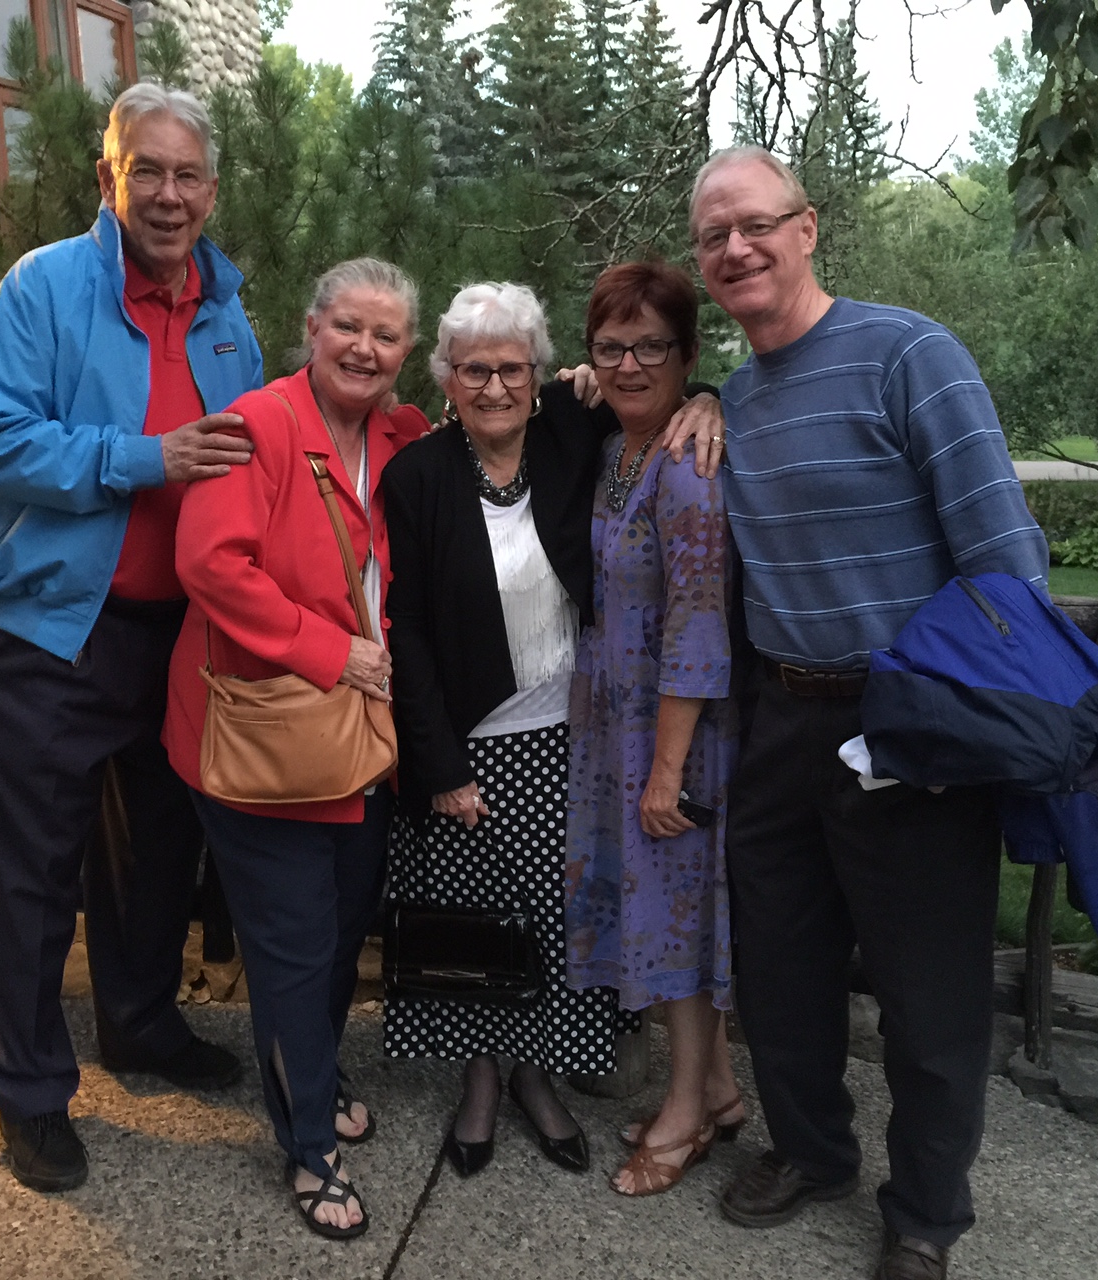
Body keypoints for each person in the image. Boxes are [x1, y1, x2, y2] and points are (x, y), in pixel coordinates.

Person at [691, 146, 1049, 1280]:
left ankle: (926, 1212)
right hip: (782, 718)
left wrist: (968, 719)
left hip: (910, 717)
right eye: (713, 236)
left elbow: (1005, 560)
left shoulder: (910, 354)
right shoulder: (736, 396)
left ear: (806, 229)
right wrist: (680, 391)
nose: (736, 248)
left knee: (927, 991)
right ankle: (813, 1152)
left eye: (756, 224)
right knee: (778, 968)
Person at [0, 84, 262, 1193]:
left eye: (187, 175)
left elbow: (257, 453)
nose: (169, 195)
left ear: (211, 190)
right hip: (46, 628)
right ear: (108, 178)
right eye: (147, 171)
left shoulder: (227, 313)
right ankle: (29, 1091)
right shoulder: (42, 287)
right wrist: (143, 459)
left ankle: (138, 1021)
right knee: (35, 869)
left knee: (154, 852)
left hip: (177, 632)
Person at [382, 282, 723, 1179]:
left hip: (573, 734)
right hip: (468, 738)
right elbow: (405, 631)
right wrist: (439, 763)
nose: (493, 386)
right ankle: (480, 1080)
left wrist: (708, 396)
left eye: (510, 368)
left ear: (538, 374)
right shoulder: (416, 477)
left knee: (550, 918)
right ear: (446, 378)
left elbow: (655, 386)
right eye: (473, 370)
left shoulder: (575, 435)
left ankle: (536, 1076)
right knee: (472, 920)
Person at [162, 257, 426, 1239]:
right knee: (292, 949)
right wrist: (331, 650)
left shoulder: (402, 436)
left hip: (356, 743)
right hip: (263, 741)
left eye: (386, 334)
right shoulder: (259, 425)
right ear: (311, 330)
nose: (364, 347)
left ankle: (314, 1071)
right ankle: (309, 1144)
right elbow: (209, 563)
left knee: (338, 933)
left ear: (407, 352)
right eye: (347, 326)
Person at [564, 262, 741, 1197]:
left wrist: (667, 770)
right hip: (617, 722)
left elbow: (698, 626)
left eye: (651, 348)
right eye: (610, 348)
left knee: (679, 924)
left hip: (673, 735)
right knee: (660, 910)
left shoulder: (688, 472)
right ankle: (717, 1089)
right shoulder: (617, 449)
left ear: (687, 353)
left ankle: (682, 1114)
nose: (629, 365)